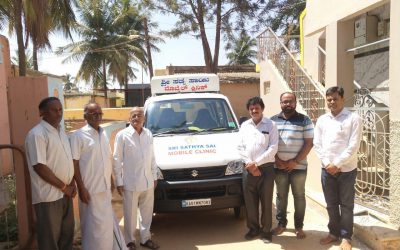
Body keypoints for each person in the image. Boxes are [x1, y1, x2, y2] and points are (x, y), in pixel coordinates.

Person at [314, 86, 362, 250]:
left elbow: (353, 146)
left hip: (347, 170)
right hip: (327, 170)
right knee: (331, 204)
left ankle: (346, 237)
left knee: (346, 205)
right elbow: (317, 144)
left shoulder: (353, 118)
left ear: (342, 98)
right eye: (329, 99)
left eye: (335, 98)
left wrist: (338, 164)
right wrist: (328, 163)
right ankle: (333, 233)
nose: (332, 102)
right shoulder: (322, 120)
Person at [25, 97, 76, 250]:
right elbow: (39, 167)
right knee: (50, 240)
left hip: (66, 193)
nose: (58, 113)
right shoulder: (37, 134)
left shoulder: (61, 132)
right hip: (49, 197)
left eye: (60, 109)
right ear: (42, 112)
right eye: (54, 110)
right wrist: (63, 187)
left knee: (67, 235)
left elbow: (66, 160)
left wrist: (71, 183)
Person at [113, 107, 159, 250]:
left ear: (144, 119)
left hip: (148, 181)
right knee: (130, 214)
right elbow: (116, 159)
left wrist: (155, 176)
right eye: (133, 116)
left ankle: (145, 239)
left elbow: (152, 157)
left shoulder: (149, 134)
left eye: (139, 115)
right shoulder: (122, 135)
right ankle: (130, 241)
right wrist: (119, 182)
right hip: (130, 183)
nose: (136, 118)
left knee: (146, 213)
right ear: (129, 119)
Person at [69, 103, 113, 250]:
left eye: (100, 114)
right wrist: (81, 188)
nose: (98, 117)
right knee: (92, 228)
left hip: (105, 188)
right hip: (89, 190)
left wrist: (111, 179)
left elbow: (107, 158)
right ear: (85, 116)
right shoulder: (78, 136)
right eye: (94, 114)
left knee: (106, 227)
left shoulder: (104, 133)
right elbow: (74, 163)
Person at [270, 92, 314, 239]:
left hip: (299, 168)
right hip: (279, 167)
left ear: (295, 103)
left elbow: (309, 143)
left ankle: (299, 227)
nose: (287, 104)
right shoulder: (272, 121)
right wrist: (276, 160)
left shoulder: (304, 120)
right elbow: (269, 144)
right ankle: (281, 224)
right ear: (280, 103)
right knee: (281, 196)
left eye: (290, 101)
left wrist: (295, 162)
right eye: (284, 102)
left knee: (299, 196)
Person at [238, 96, 279, 243]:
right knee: (250, 201)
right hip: (248, 169)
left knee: (266, 200)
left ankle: (266, 231)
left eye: (257, 108)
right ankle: (253, 229)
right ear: (249, 110)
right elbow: (240, 147)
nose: (254, 111)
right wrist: (250, 164)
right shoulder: (244, 126)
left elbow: (273, 147)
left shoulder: (271, 125)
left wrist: (257, 163)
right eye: (251, 108)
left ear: (262, 109)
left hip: (266, 169)